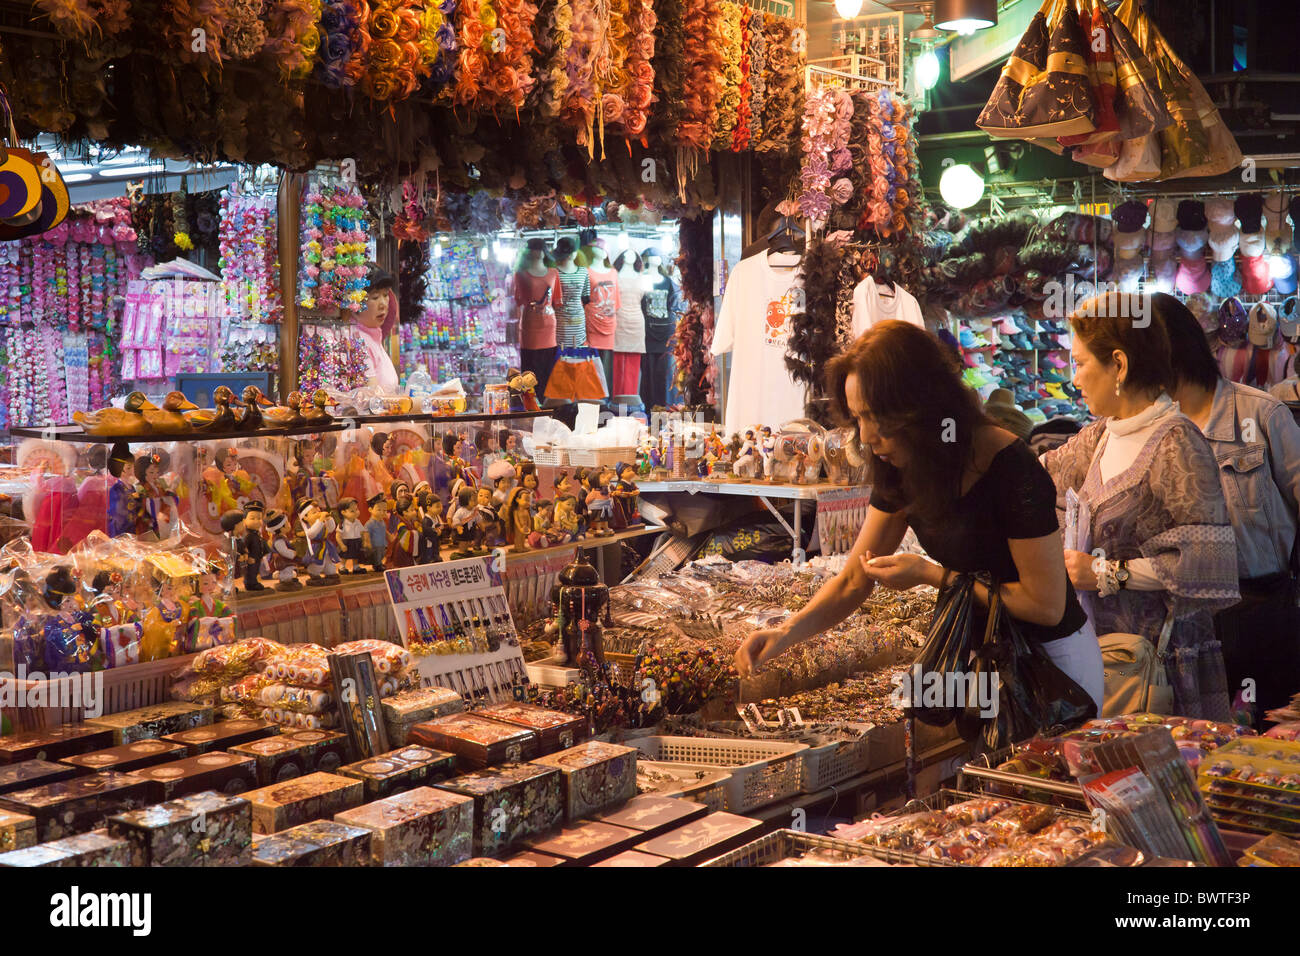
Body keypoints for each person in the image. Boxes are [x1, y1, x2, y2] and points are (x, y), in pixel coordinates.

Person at [735, 320, 1104, 713]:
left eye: (876, 417)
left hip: (1053, 670)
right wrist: (785, 633)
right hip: (985, 661)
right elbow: (854, 580)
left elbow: (1044, 604)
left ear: (921, 406)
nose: (866, 436)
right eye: (858, 418)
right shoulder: (903, 466)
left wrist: (931, 575)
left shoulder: (1008, 466)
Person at [1041, 293, 1239, 720]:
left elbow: (1210, 565)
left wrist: (1107, 574)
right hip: (1105, 661)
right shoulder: (1097, 438)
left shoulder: (1177, 443)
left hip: (1159, 671)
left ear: (1119, 364)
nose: (1075, 379)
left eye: (1079, 363)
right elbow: (1033, 477)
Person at [1158, 293, 1300, 720]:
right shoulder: (1152, 429)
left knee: (1265, 755)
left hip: (1263, 616)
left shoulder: (1261, 414)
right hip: (1182, 627)